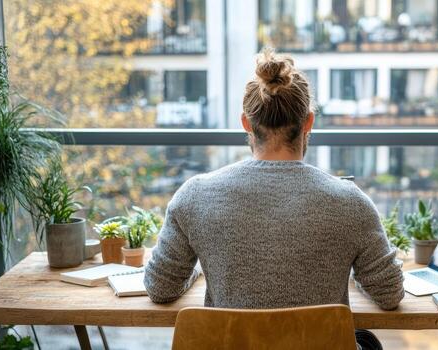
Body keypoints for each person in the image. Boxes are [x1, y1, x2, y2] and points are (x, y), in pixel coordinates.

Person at [144, 48, 404, 349]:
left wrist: (204, 267)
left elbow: (160, 287)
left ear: (246, 122)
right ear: (308, 122)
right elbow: (389, 294)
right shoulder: (351, 203)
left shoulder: (195, 196)